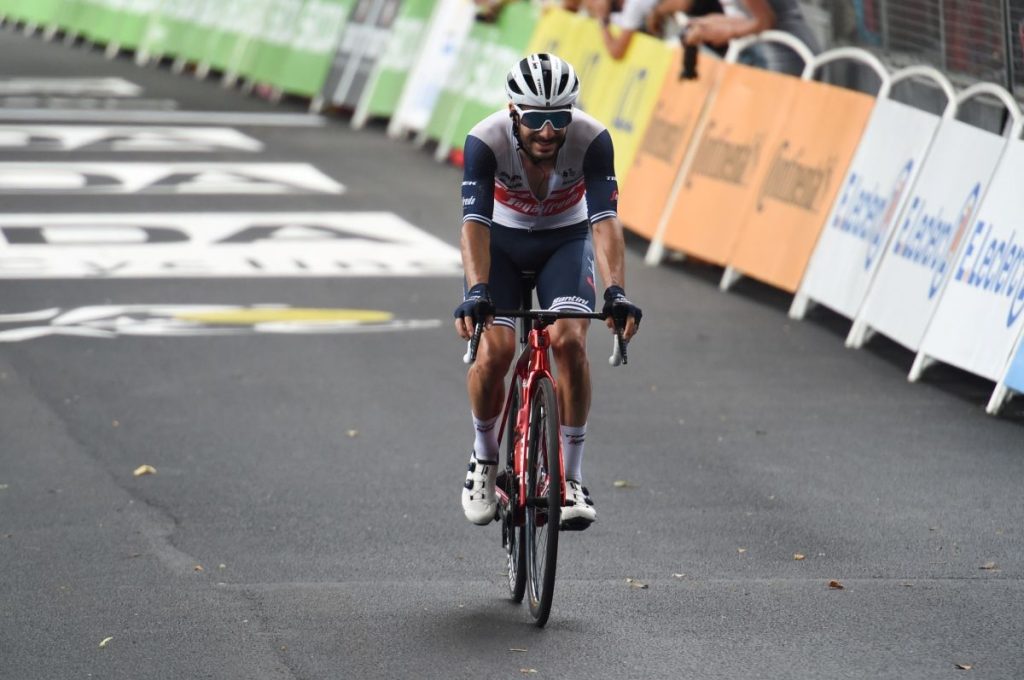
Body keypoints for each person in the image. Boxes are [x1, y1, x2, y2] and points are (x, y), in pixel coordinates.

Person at [453, 53, 642, 530]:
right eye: (535, 119)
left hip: (564, 240)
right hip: (501, 242)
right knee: (495, 351)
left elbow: (604, 221)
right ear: (513, 111)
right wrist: (477, 289)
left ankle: (571, 478)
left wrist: (616, 291)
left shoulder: (593, 139)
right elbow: (474, 224)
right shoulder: (485, 141)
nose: (546, 131)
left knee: (570, 342)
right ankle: (484, 457)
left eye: (558, 118)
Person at [646, 0, 821, 75]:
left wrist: (728, 33)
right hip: (771, 51)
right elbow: (742, 18)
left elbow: (764, 21)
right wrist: (705, 25)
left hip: (790, 53)